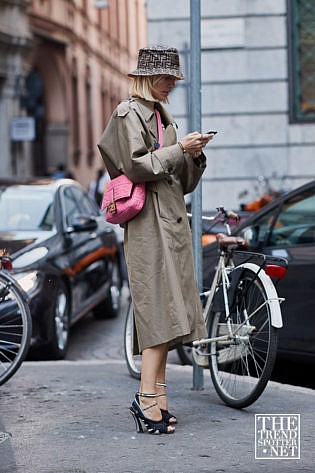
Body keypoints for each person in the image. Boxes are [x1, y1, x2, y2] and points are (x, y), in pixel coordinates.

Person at [97, 46, 215, 435]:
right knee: (156, 307)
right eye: (167, 80)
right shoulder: (128, 113)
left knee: (173, 307)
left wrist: (194, 156)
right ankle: (146, 400)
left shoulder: (165, 117)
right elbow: (136, 166)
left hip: (172, 221)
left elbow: (182, 183)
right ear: (149, 78)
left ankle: (158, 397)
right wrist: (178, 149)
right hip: (147, 222)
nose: (172, 87)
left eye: (175, 80)